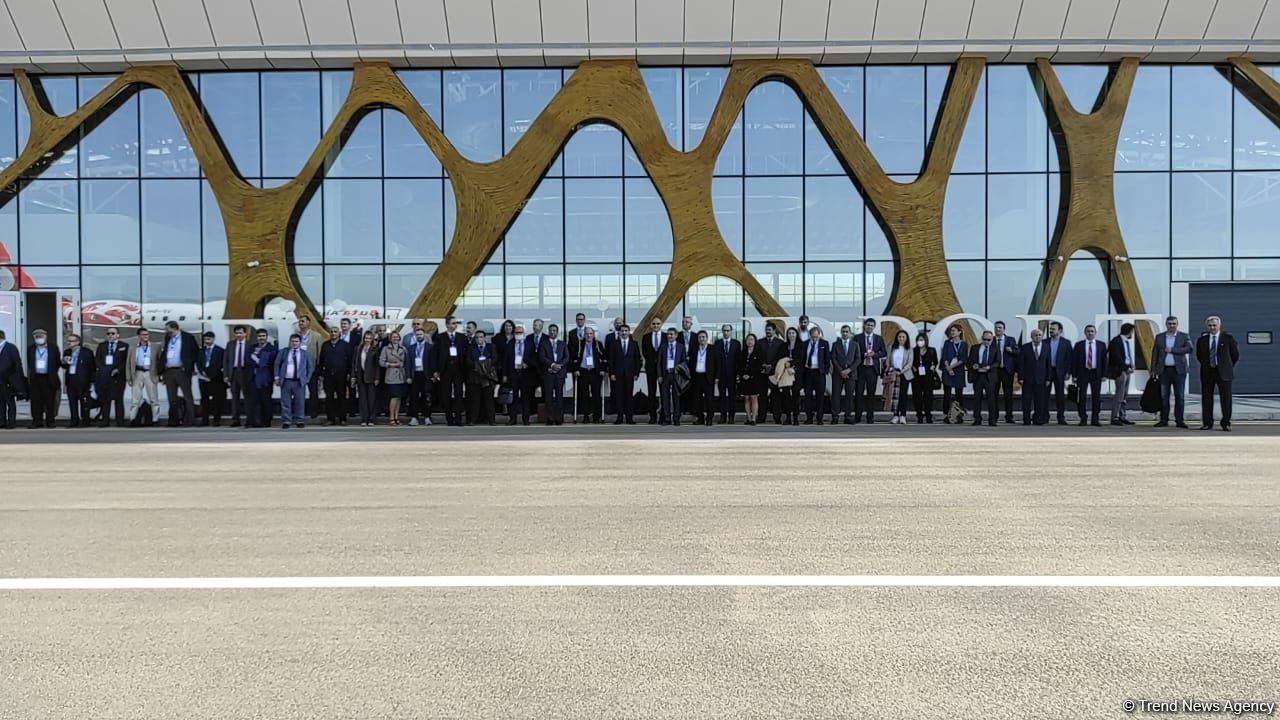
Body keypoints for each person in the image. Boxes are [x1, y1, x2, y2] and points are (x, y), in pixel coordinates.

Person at [1196, 315, 1239, 432]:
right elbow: (1200, 356)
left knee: (1226, 398)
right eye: (1210, 325)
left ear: (1219, 326)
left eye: (1214, 325)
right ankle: (1207, 423)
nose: (1212, 327)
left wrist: (1226, 366)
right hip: (1208, 372)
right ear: (1206, 326)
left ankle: (1226, 423)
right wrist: (1209, 365)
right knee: (1206, 398)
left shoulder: (1228, 338)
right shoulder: (1202, 340)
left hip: (1224, 372)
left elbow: (1234, 355)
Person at [158, 321, 198, 427]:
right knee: (171, 397)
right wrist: (161, 370)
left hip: (182, 371)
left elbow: (195, 352)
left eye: (167, 329)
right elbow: (165, 352)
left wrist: (189, 366)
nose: (166, 331)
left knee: (187, 396)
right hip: (169, 371)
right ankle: (173, 420)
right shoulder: (168, 337)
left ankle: (189, 420)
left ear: (174, 328)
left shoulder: (188, 337)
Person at [1155, 315, 1192, 429]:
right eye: (1169, 324)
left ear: (1177, 324)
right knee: (1164, 396)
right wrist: (1153, 369)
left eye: (1174, 324)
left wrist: (1173, 350)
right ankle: (1164, 419)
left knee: (1179, 396)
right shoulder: (1160, 337)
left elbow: (1189, 348)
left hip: (1179, 371)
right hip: (1164, 370)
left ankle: (1179, 420)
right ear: (1166, 325)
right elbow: (1155, 353)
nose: (1171, 326)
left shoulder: (1184, 336)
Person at [433, 316, 469, 427]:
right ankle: (449, 418)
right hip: (446, 369)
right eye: (452, 323)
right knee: (446, 394)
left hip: (458, 369)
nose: (454, 325)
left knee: (458, 393)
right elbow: (435, 355)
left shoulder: (462, 337)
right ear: (447, 324)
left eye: (455, 323)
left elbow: (465, 353)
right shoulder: (440, 337)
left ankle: (458, 418)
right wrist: (435, 370)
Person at [274, 333, 313, 429]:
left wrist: (306, 378)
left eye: (296, 341)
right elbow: (277, 364)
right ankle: (286, 421)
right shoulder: (284, 352)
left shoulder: (304, 353)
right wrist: (277, 377)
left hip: (299, 381)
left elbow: (310, 367)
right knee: (285, 402)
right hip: (286, 380)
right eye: (293, 341)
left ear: (300, 342)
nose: (294, 343)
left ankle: (299, 420)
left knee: (300, 402)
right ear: (290, 342)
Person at [852, 319, 887, 424]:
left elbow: (883, 352)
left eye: (871, 325)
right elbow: (853, 352)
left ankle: (870, 417)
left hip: (872, 369)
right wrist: (864, 354)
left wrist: (874, 354)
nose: (869, 327)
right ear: (864, 326)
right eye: (868, 325)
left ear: (874, 327)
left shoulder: (878, 338)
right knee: (859, 393)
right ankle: (857, 417)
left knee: (871, 394)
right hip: (861, 368)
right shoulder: (857, 338)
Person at [1072, 324, 1108, 427]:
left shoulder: (1101, 345)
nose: (1090, 333)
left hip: (1096, 373)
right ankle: (1083, 418)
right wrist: (1074, 375)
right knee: (1081, 396)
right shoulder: (1079, 345)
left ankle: (1095, 418)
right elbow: (1074, 361)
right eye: (1088, 331)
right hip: (1082, 373)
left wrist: (1104, 374)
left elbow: (1104, 361)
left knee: (1096, 397)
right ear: (1085, 333)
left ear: (1095, 333)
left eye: (1092, 331)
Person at [94, 328, 129, 427]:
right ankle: (105, 420)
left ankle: (120, 420)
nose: (110, 335)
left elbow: (125, 360)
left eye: (113, 333)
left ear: (118, 335)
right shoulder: (102, 345)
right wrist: (102, 369)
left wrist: (118, 369)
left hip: (118, 376)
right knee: (105, 399)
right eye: (108, 333)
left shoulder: (124, 346)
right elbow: (98, 359)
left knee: (118, 399)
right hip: (105, 375)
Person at [318, 326, 353, 426]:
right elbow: (321, 360)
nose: (333, 333)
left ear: (339, 333)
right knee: (329, 398)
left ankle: (343, 419)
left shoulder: (345, 345)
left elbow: (350, 360)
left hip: (341, 375)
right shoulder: (325, 345)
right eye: (332, 332)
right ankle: (330, 419)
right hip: (328, 375)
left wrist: (349, 373)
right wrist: (320, 373)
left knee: (341, 397)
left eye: (335, 332)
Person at [570, 326, 605, 423]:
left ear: (593, 335)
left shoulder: (598, 344)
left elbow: (603, 358)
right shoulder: (579, 344)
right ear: (584, 335)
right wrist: (576, 369)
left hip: (595, 372)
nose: (589, 335)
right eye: (587, 334)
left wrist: (602, 369)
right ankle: (585, 416)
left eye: (590, 334)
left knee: (596, 395)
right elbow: (574, 358)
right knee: (584, 395)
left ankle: (596, 416)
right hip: (583, 371)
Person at [26, 329, 60, 428]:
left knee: (50, 400)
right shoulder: (31, 348)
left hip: (48, 377)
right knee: (36, 400)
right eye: (37, 337)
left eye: (41, 336)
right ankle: (37, 421)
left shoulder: (53, 348)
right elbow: (30, 363)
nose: (39, 338)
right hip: (36, 377)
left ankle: (50, 421)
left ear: (45, 337)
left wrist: (52, 372)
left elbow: (56, 362)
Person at [608, 323, 640, 425]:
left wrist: (636, 373)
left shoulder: (634, 344)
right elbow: (611, 360)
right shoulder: (614, 344)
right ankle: (620, 417)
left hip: (630, 374)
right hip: (618, 374)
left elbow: (637, 360)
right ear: (619, 332)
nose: (624, 333)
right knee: (619, 396)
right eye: (622, 331)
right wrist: (611, 373)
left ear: (629, 332)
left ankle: (630, 418)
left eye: (626, 331)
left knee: (629, 396)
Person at [502, 324, 534, 425]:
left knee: (525, 398)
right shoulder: (510, 344)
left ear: (524, 333)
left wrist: (527, 364)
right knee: (513, 398)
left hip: (525, 374)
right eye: (516, 333)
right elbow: (505, 360)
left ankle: (526, 419)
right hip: (513, 374)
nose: (518, 334)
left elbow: (534, 359)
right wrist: (505, 374)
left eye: (520, 333)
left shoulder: (529, 344)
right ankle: (513, 419)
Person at [1106, 322, 1137, 426]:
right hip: (1120, 371)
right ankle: (1114, 417)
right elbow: (1116, 356)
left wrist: (1131, 366)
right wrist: (1125, 367)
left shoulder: (1126, 342)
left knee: (1124, 394)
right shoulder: (1116, 341)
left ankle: (1122, 416)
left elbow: (1127, 355)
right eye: (1132, 331)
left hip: (1127, 370)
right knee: (1119, 394)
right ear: (1129, 331)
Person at [61, 333, 95, 428]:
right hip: (71, 378)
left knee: (84, 401)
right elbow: (64, 366)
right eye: (68, 341)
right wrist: (64, 361)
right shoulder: (67, 352)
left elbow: (92, 368)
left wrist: (92, 382)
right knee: (72, 401)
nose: (69, 343)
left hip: (83, 380)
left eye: (71, 341)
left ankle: (85, 420)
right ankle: (74, 420)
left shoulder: (87, 352)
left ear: (77, 342)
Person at [1019, 328, 1051, 425]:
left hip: (1041, 379)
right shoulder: (1025, 347)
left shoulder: (1046, 347)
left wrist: (1048, 378)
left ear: (1042, 336)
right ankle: (1026, 419)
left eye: (1039, 335)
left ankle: (1038, 419)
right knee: (1026, 400)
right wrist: (1021, 377)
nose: (1037, 337)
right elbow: (1021, 364)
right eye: (1035, 335)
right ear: (1031, 336)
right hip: (1027, 379)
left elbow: (1048, 364)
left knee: (1040, 400)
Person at [127, 328, 159, 425]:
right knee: (135, 397)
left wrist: (159, 375)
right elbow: (128, 364)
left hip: (150, 372)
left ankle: (155, 419)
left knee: (153, 398)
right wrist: (128, 377)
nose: (146, 336)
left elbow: (159, 361)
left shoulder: (155, 346)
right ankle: (133, 418)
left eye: (147, 334)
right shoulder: (133, 348)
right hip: (137, 372)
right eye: (144, 334)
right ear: (139, 336)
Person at [295, 315, 323, 419]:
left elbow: (319, 353)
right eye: (299, 321)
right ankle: (300, 412)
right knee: (298, 391)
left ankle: (313, 412)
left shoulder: (316, 336)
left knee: (313, 391)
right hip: (298, 368)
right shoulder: (295, 336)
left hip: (312, 368)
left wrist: (319, 368)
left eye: (303, 321)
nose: (300, 323)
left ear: (308, 323)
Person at [247, 329, 277, 428]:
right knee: (254, 401)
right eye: (259, 336)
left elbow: (268, 363)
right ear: (257, 337)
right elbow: (247, 361)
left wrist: (257, 359)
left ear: (267, 337)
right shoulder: (251, 348)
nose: (261, 338)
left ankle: (266, 421)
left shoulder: (272, 349)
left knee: (266, 400)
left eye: (263, 336)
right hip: (253, 378)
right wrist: (256, 361)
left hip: (266, 379)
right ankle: (255, 421)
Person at [967, 330, 997, 426]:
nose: (986, 341)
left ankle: (992, 420)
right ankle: (977, 419)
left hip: (989, 377)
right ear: (982, 338)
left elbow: (998, 362)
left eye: (989, 340)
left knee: (991, 399)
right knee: (977, 398)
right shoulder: (975, 348)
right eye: (985, 339)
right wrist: (973, 365)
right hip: (978, 376)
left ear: (992, 339)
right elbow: (969, 360)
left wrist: (989, 367)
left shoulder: (995, 349)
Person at [656, 327, 686, 426]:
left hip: (676, 374)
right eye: (668, 334)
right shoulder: (663, 346)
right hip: (665, 374)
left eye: (672, 334)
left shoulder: (681, 347)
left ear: (676, 335)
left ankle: (676, 418)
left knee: (676, 396)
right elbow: (659, 362)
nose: (670, 336)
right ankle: (667, 418)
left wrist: (680, 374)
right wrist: (659, 375)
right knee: (665, 397)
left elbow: (683, 361)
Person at [224, 325, 252, 428]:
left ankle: (249, 420)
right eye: (237, 333)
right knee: (234, 398)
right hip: (234, 372)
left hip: (246, 372)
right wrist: (226, 375)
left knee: (248, 398)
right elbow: (226, 360)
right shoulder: (230, 344)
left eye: (241, 333)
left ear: (245, 334)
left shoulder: (250, 345)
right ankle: (235, 420)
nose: (239, 335)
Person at [539, 324, 568, 426]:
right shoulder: (543, 344)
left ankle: (559, 418)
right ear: (548, 331)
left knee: (559, 396)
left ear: (557, 332)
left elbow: (566, 357)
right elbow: (542, 357)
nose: (552, 332)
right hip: (548, 373)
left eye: (554, 330)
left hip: (560, 374)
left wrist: (559, 366)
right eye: (551, 330)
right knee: (549, 397)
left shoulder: (562, 344)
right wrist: (552, 365)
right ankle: (550, 418)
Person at [939, 323, 968, 424]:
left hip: (958, 371)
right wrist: (948, 368)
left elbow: (963, 358)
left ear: (959, 332)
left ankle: (959, 415)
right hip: (947, 371)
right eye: (951, 331)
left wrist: (953, 367)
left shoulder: (964, 344)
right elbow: (944, 357)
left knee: (958, 394)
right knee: (947, 393)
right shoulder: (947, 343)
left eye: (954, 330)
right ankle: (947, 414)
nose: (952, 332)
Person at [195, 331, 226, 426]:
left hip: (215, 378)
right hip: (203, 378)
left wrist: (210, 374)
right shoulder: (200, 351)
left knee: (217, 400)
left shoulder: (220, 350)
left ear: (213, 339)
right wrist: (203, 373)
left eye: (209, 339)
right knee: (204, 400)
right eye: (205, 339)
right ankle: (205, 420)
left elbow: (219, 364)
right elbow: (198, 363)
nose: (207, 341)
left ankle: (216, 420)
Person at [468, 330, 498, 425]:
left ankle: (491, 420)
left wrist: (483, 366)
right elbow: (468, 362)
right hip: (475, 377)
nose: (479, 339)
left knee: (489, 400)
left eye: (481, 337)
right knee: (475, 400)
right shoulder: (471, 348)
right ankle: (473, 419)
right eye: (476, 337)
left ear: (484, 338)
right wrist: (479, 366)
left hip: (487, 377)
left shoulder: (491, 347)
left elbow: (494, 359)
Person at [991, 320, 1019, 424]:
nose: (997, 329)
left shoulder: (1010, 340)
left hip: (1007, 371)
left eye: (1000, 328)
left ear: (1004, 329)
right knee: (994, 394)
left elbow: (1018, 352)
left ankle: (1009, 416)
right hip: (995, 371)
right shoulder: (992, 340)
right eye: (996, 327)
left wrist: (1011, 351)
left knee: (1008, 394)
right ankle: (995, 416)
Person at [405, 326, 433, 426]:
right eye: (417, 335)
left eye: (421, 334)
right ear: (415, 336)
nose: (419, 336)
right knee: (414, 397)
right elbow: (408, 363)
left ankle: (427, 417)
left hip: (426, 375)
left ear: (424, 335)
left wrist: (433, 374)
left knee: (427, 397)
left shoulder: (430, 347)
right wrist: (408, 376)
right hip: (415, 375)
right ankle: (414, 417)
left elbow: (432, 362)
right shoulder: (411, 348)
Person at [1046, 321, 1073, 425]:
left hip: (1060, 372)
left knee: (1060, 396)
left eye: (1053, 329)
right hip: (1047, 372)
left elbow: (1069, 359)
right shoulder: (1045, 342)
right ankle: (1045, 416)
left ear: (1060, 331)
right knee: (1045, 395)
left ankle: (1061, 417)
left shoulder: (1066, 343)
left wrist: (1068, 372)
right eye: (1050, 329)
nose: (1051, 331)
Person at [801, 326, 829, 425]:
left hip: (819, 372)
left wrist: (825, 370)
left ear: (819, 335)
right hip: (808, 372)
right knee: (808, 396)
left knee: (820, 397)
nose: (814, 339)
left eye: (816, 337)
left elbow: (827, 359)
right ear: (810, 336)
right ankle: (809, 417)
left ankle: (819, 418)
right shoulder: (805, 344)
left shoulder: (824, 344)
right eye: (813, 337)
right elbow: (802, 357)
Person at [713, 324, 741, 423]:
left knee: (732, 396)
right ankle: (723, 416)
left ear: (731, 331)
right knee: (722, 397)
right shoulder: (717, 343)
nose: (726, 332)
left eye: (728, 330)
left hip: (732, 374)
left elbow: (738, 360)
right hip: (721, 375)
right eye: (724, 330)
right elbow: (715, 361)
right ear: (722, 331)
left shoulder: (736, 343)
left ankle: (731, 417)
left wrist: (738, 374)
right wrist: (716, 375)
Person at [378, 330, 407, 426]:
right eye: (393, 337)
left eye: (397, 336)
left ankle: (396, 416)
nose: (395, 338)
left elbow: (407, 361)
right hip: (391, 375)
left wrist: (402, 365)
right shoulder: (386, 349)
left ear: (399, 338)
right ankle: (391, 417)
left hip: (401, 375)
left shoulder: (403, 348)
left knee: (399, 397)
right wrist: (391, 365)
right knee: (394, 396)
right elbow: (381, 362)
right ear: (390, 338)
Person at [688, 330, 717, 426]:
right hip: (696, 376)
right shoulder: (694, 349)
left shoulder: (712, 349)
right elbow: (690, 363)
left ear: (707, 338)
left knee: (709, 399)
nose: (702, 339)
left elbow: (717, 364)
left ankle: (709, 418)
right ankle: (700, 418)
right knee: (697, 399)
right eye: (700, 337)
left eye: (703, 337)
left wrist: (717, 377)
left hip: (707, 377)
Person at [830, 324, 858, 424]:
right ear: (841, 333)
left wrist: (849, 370)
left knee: (849, 396)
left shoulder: (855, 345)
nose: (845, 333)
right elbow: (833, 358)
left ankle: (848, 416)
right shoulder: (835, 344)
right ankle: (835, 416)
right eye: (843, 332)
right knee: (836, 395)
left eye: (847, 331)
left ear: (850, 333)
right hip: (838, 374)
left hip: (851, 374)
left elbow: (858, 359)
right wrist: (841, 370)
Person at [757, 323, 785, 424]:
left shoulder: (780, 343)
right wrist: (764, 365)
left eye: (769, 330)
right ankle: (761, 417)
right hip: (763, 372)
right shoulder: (760, 342)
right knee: (762, 396)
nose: (768, 331)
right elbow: (758, 356)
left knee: (776, 396)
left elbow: (781, 357)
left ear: (774, 331)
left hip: (775, 373)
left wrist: (771, 366)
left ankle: (777, 417)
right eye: (766, 330)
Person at [884, 330, 913, 424]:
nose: (901, 338)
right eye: (900, 336)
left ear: (906, 338)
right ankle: (895, 415)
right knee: (894, 396)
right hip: (893, 373)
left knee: (903, 395)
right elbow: (888, 361)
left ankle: (903, 415)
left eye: (903, 337)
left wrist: (902, 371)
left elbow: (910, 363)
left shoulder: (909, 349)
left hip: (904, 374)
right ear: (897, 337)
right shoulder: (891, 347)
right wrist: (890, 369)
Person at [641, 318, 665, 424]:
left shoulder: (666, 336)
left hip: (663, 369)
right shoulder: (646, 337)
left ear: (661, 325)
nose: (656, 325)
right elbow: (645, 352)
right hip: (650, 368)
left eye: (658, 324)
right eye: (654, 324)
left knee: (663, 392)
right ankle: (652, 417)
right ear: (651, 325)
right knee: (651, 392)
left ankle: (664, 416)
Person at [353, 331, 380, 426]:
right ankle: (364, 418)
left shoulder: (375, 349)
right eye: (366, 338)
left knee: (371, 399)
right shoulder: (358, 348)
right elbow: (354, 363)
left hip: (371, 377)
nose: (367, 340)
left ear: (372, 339)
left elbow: (377, 365)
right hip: (361, 376)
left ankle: (372, 418)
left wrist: (377, 377)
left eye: (369, 338)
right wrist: (353, 376)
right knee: (362, 399)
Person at [910, 332, 938, 423]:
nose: (920, 342)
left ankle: (928, 414)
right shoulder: (913, 350)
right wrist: (913, 367)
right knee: (917, 396)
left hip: (928, 376)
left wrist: (933, 366)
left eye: (922, 340)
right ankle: (919, 415)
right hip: (916, 376)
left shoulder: (931, 350)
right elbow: (910, 361)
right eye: (918, 340)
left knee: (928, 396)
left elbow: (935, 361)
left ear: (925, 340)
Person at [739, 333, 764, 426]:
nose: (749, 341)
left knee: (754, 398)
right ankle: (748, 418)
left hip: (755, 378)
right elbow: (739, 365)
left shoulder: (758, 352)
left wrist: (750, 375)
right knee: (746, 398)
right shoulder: (743, 352)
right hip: (744, 379)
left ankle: (754, 418)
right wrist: (743, 375)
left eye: (751, 339)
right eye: (748, 340)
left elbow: (759, 366)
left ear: (755, 341)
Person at [0, 329, 22, 429]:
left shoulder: (11, 348)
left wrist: (17, 379)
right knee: (1, 401)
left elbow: (17, 364)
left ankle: (11, 421)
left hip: (9, 379)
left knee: (9, 401)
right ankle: (1, 421)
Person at [782, 327, 804, 425]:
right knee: (786, 396)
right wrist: (786, 366)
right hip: (786, 373)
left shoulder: (801, 345)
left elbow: (802, 359)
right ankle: (787, 417)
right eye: (789, 333)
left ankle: (795, 418)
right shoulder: (783, 346)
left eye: (793, 333)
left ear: (796, 334)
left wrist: (791, 364)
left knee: (796, 396)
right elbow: (780, 358)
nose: (791, 335)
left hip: (796, 374)